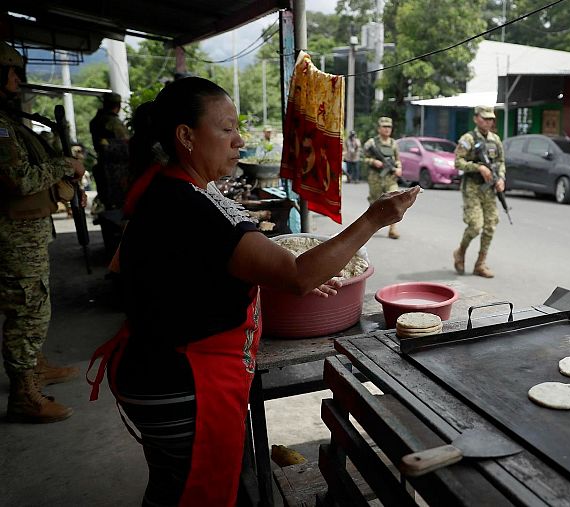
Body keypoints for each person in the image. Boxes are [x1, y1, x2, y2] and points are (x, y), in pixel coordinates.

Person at [86, 77, 419, 506]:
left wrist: (272, 277)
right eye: (226, 129)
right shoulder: (187, 204)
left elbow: (193, 271)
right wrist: (374, 218)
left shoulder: (173, 187)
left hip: (158, 371)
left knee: (174, 486)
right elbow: (298, 274)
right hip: (182, 382)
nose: (239, 141)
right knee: (194, 494)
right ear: (186, 136)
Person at [0, 40, 85, 423]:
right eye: (12, 70)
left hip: (25, 232)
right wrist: (63, 166)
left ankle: (34, 367)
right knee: (28, 309)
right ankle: (24, 394)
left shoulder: (8, 122)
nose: (18, 78)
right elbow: (18, 179)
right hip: (13, 235)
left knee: (33, 305)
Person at [452, 105, 506, 278]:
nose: (488, 122)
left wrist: (501, 179)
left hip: (489, 189)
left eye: (491, 119)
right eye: (485, 118)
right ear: (476, 118)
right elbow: (458, 162)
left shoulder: (495, 140)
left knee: (490, 226)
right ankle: (460, 251)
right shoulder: (468, 139)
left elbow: (501, 162)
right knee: (475, 226)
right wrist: (478, 168)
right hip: (472, 188)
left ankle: (480, 264)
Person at [363, 117, 403, 239]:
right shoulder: (371, 143)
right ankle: (370, 225)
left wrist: (399, 169)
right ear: (379, 128)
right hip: (375, 177)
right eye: (384, 127)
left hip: (390, 178)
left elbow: (397, 160)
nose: (387, 129)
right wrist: (373, 161)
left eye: (389, 127)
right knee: (375, 202)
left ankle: (393, 229)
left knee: (395, 200)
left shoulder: (393, 143)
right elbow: (362, 158)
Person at [90, 91, 130, 210]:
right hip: (116, 168)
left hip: (103, 164)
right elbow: (126, 143)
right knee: (118, 203)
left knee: (107, 201)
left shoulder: (96, 120)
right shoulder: (112, 122)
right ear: (118, 106)